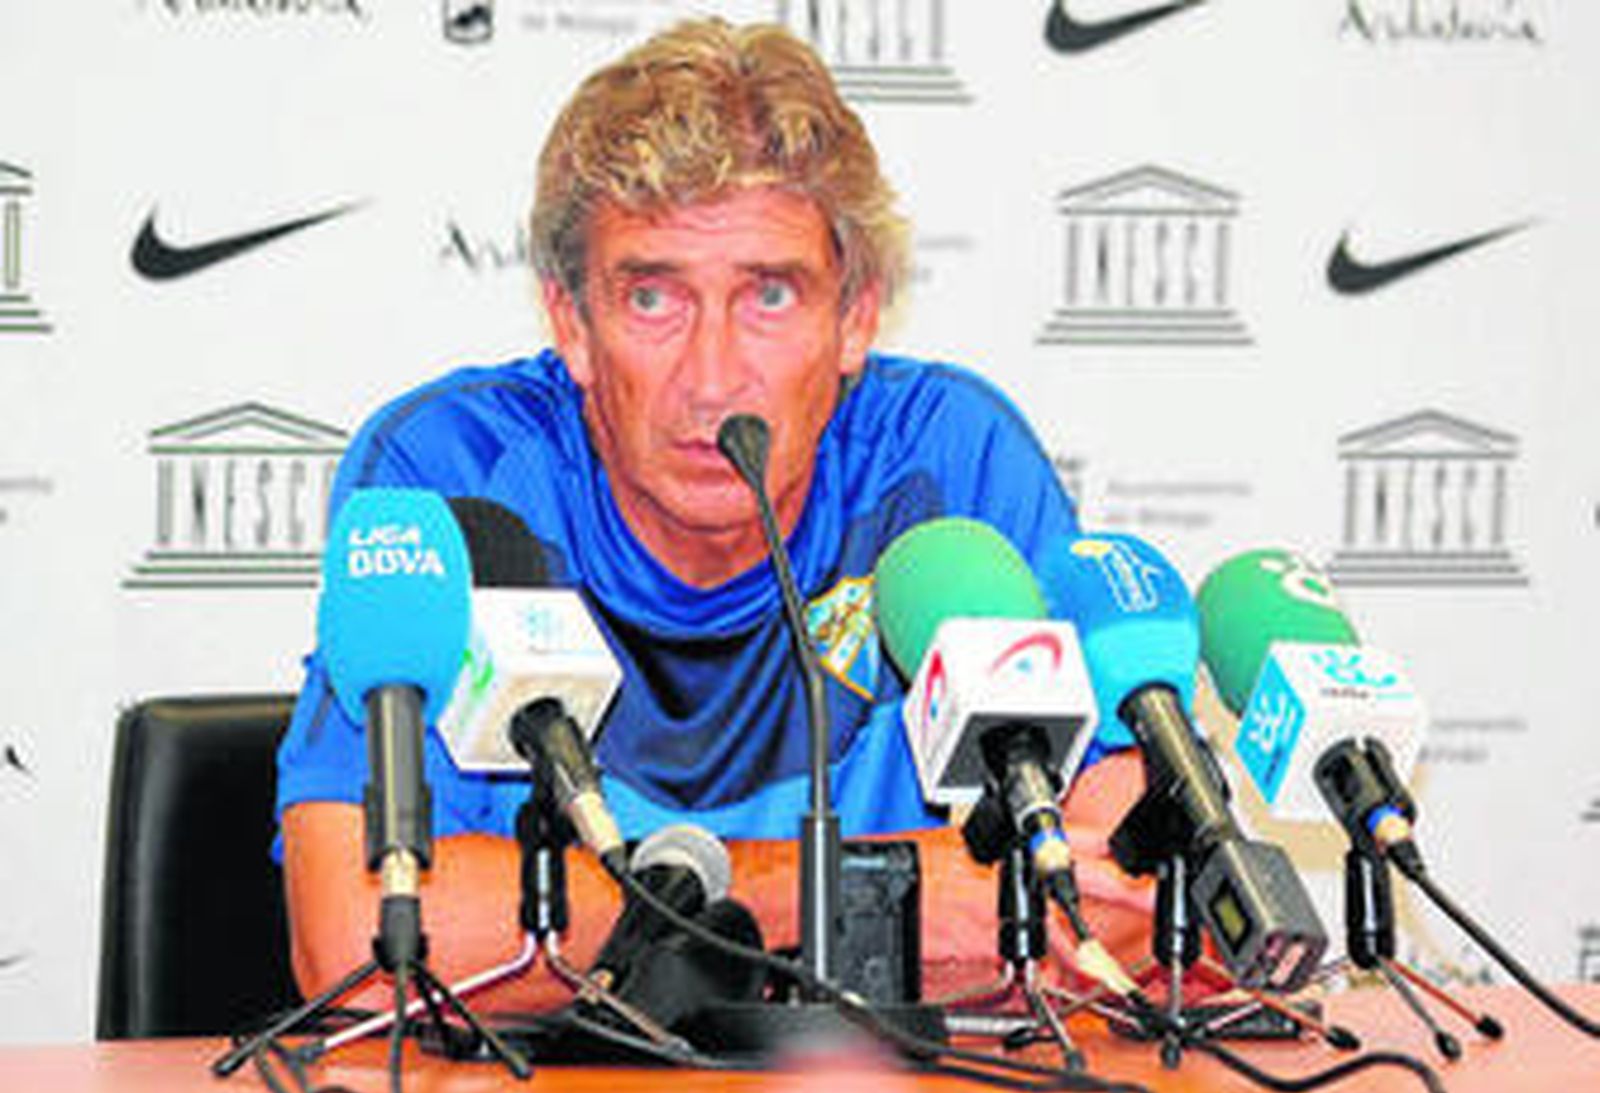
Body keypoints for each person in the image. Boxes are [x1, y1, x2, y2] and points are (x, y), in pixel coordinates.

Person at [278, 17, 1150, 1012]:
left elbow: (1114, 903)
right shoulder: (454, 477)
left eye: (769, 295)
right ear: (571, 321)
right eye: (653, 299)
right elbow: (358, 941)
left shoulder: (949, 467)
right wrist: (862, 894)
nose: (712, 378)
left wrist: (593, 924)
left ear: (856, 314)